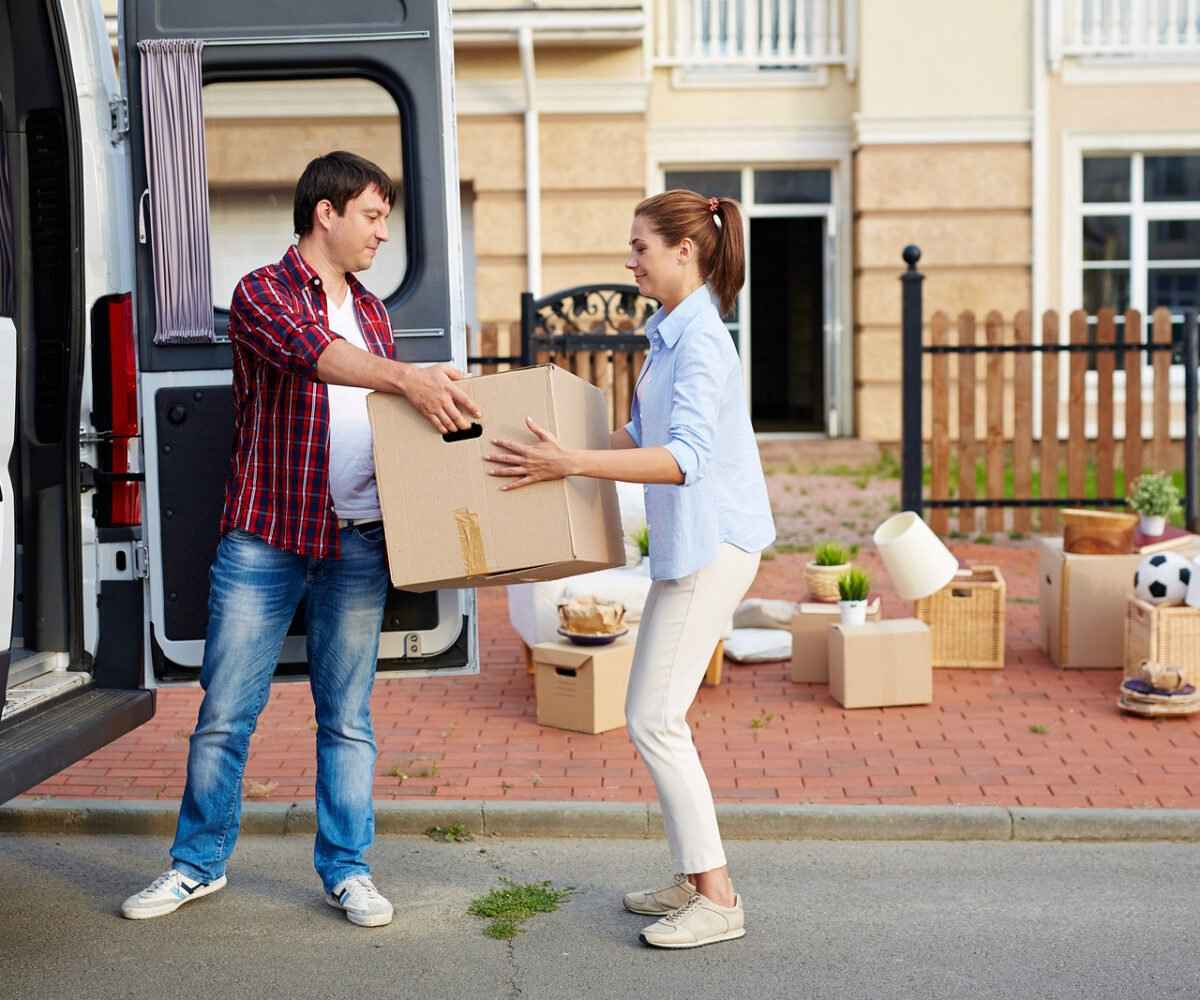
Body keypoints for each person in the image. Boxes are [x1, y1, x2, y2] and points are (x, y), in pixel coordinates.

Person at [121, 151, 481, 928]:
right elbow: (314, 355)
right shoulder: (260, 293)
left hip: (358, 543)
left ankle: (348, 870)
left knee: (347, 718)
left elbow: (390, 411)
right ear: (327, 212)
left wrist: (439, 392)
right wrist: (405, 377)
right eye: (373, 216)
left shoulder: (376, 310)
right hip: (267, 539)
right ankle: (196, 865)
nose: (383, 233)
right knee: (225, 712)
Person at [485, 189, 775, 949]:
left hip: (716, 548)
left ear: (685, 250)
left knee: (652, 717)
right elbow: (636, 435)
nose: (629, 259)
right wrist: (557, 445)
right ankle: (693, 877)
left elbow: (683, 459)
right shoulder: (671, 334)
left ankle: (718, 898)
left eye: (640, 246)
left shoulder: (704, 342)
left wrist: (572, 460)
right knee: (655, 716)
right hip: (692, 547)